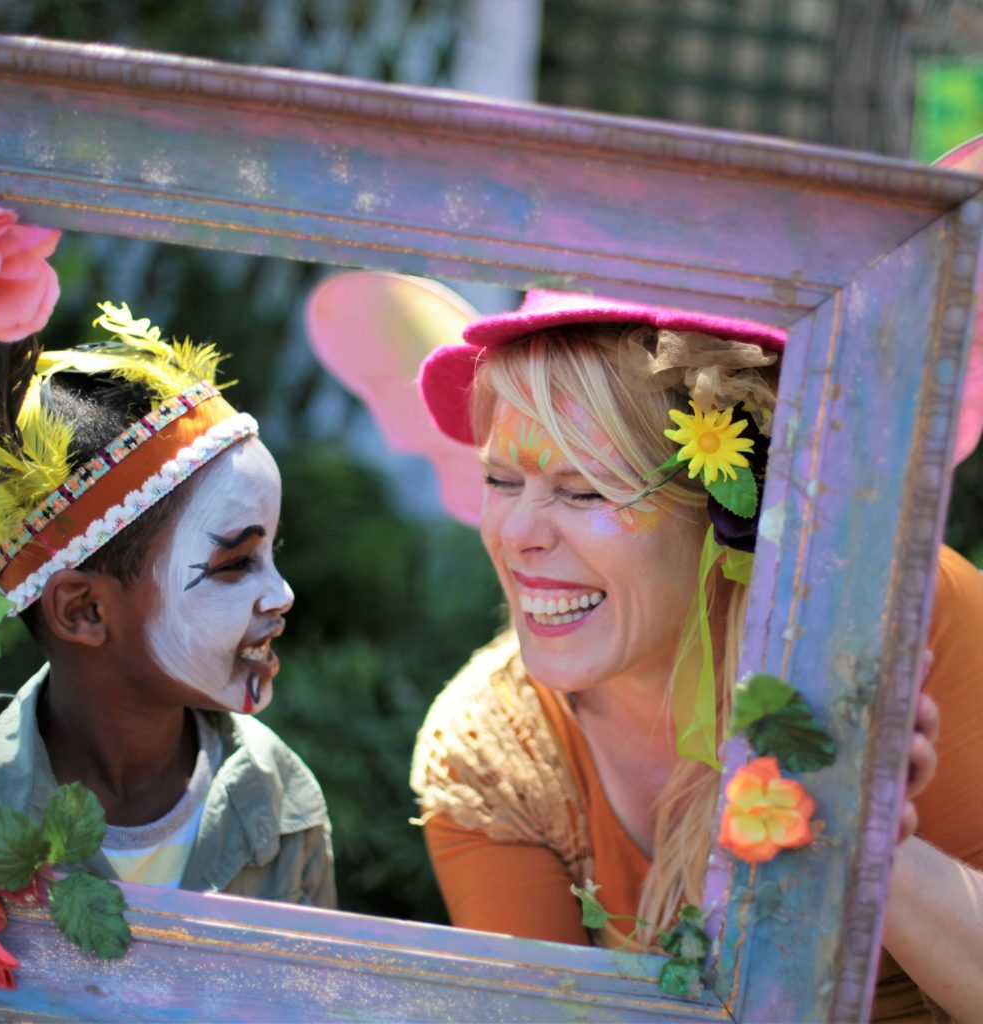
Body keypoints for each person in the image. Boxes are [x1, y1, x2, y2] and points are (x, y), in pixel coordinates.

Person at [406, 287, 983, 1022]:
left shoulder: (900, 622)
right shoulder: (494, 756)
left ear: (723, 507)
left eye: (584, 490)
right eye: (500, 479)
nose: (517, 533)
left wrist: (868, 843)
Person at [0, 302, 335, 905]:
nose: (283, 594)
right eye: (236, 564)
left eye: (272, 552)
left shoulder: (284, 802)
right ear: (84, 611)